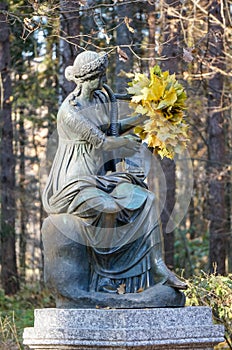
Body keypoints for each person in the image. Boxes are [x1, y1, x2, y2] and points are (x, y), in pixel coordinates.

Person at [42, 50, 186, 307]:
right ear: (86, 78)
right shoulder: (69, 112)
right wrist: (127, 143)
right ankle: (105, 275)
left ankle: (158, 266)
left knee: (146, 198)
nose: (103, 80)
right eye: (99, 76)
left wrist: (150, 114)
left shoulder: (99, 97)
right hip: (74, 183)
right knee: (108, 207)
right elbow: (104, 142)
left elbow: (113, 127)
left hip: (98, 180)